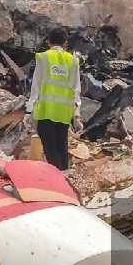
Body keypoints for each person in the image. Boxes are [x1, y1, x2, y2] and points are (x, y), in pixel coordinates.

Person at [24, 28, 82, 171]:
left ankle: (59, 179)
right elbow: (76, 89)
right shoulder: (73, 61)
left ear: (49, 42)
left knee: (50, 150)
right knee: (62, 147)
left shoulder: (44, 58)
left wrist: (29, 110)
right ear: (65, 43)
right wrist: (77, 114)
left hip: (45, 112)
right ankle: (65, 178)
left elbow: (35, 87)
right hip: (63, 113)